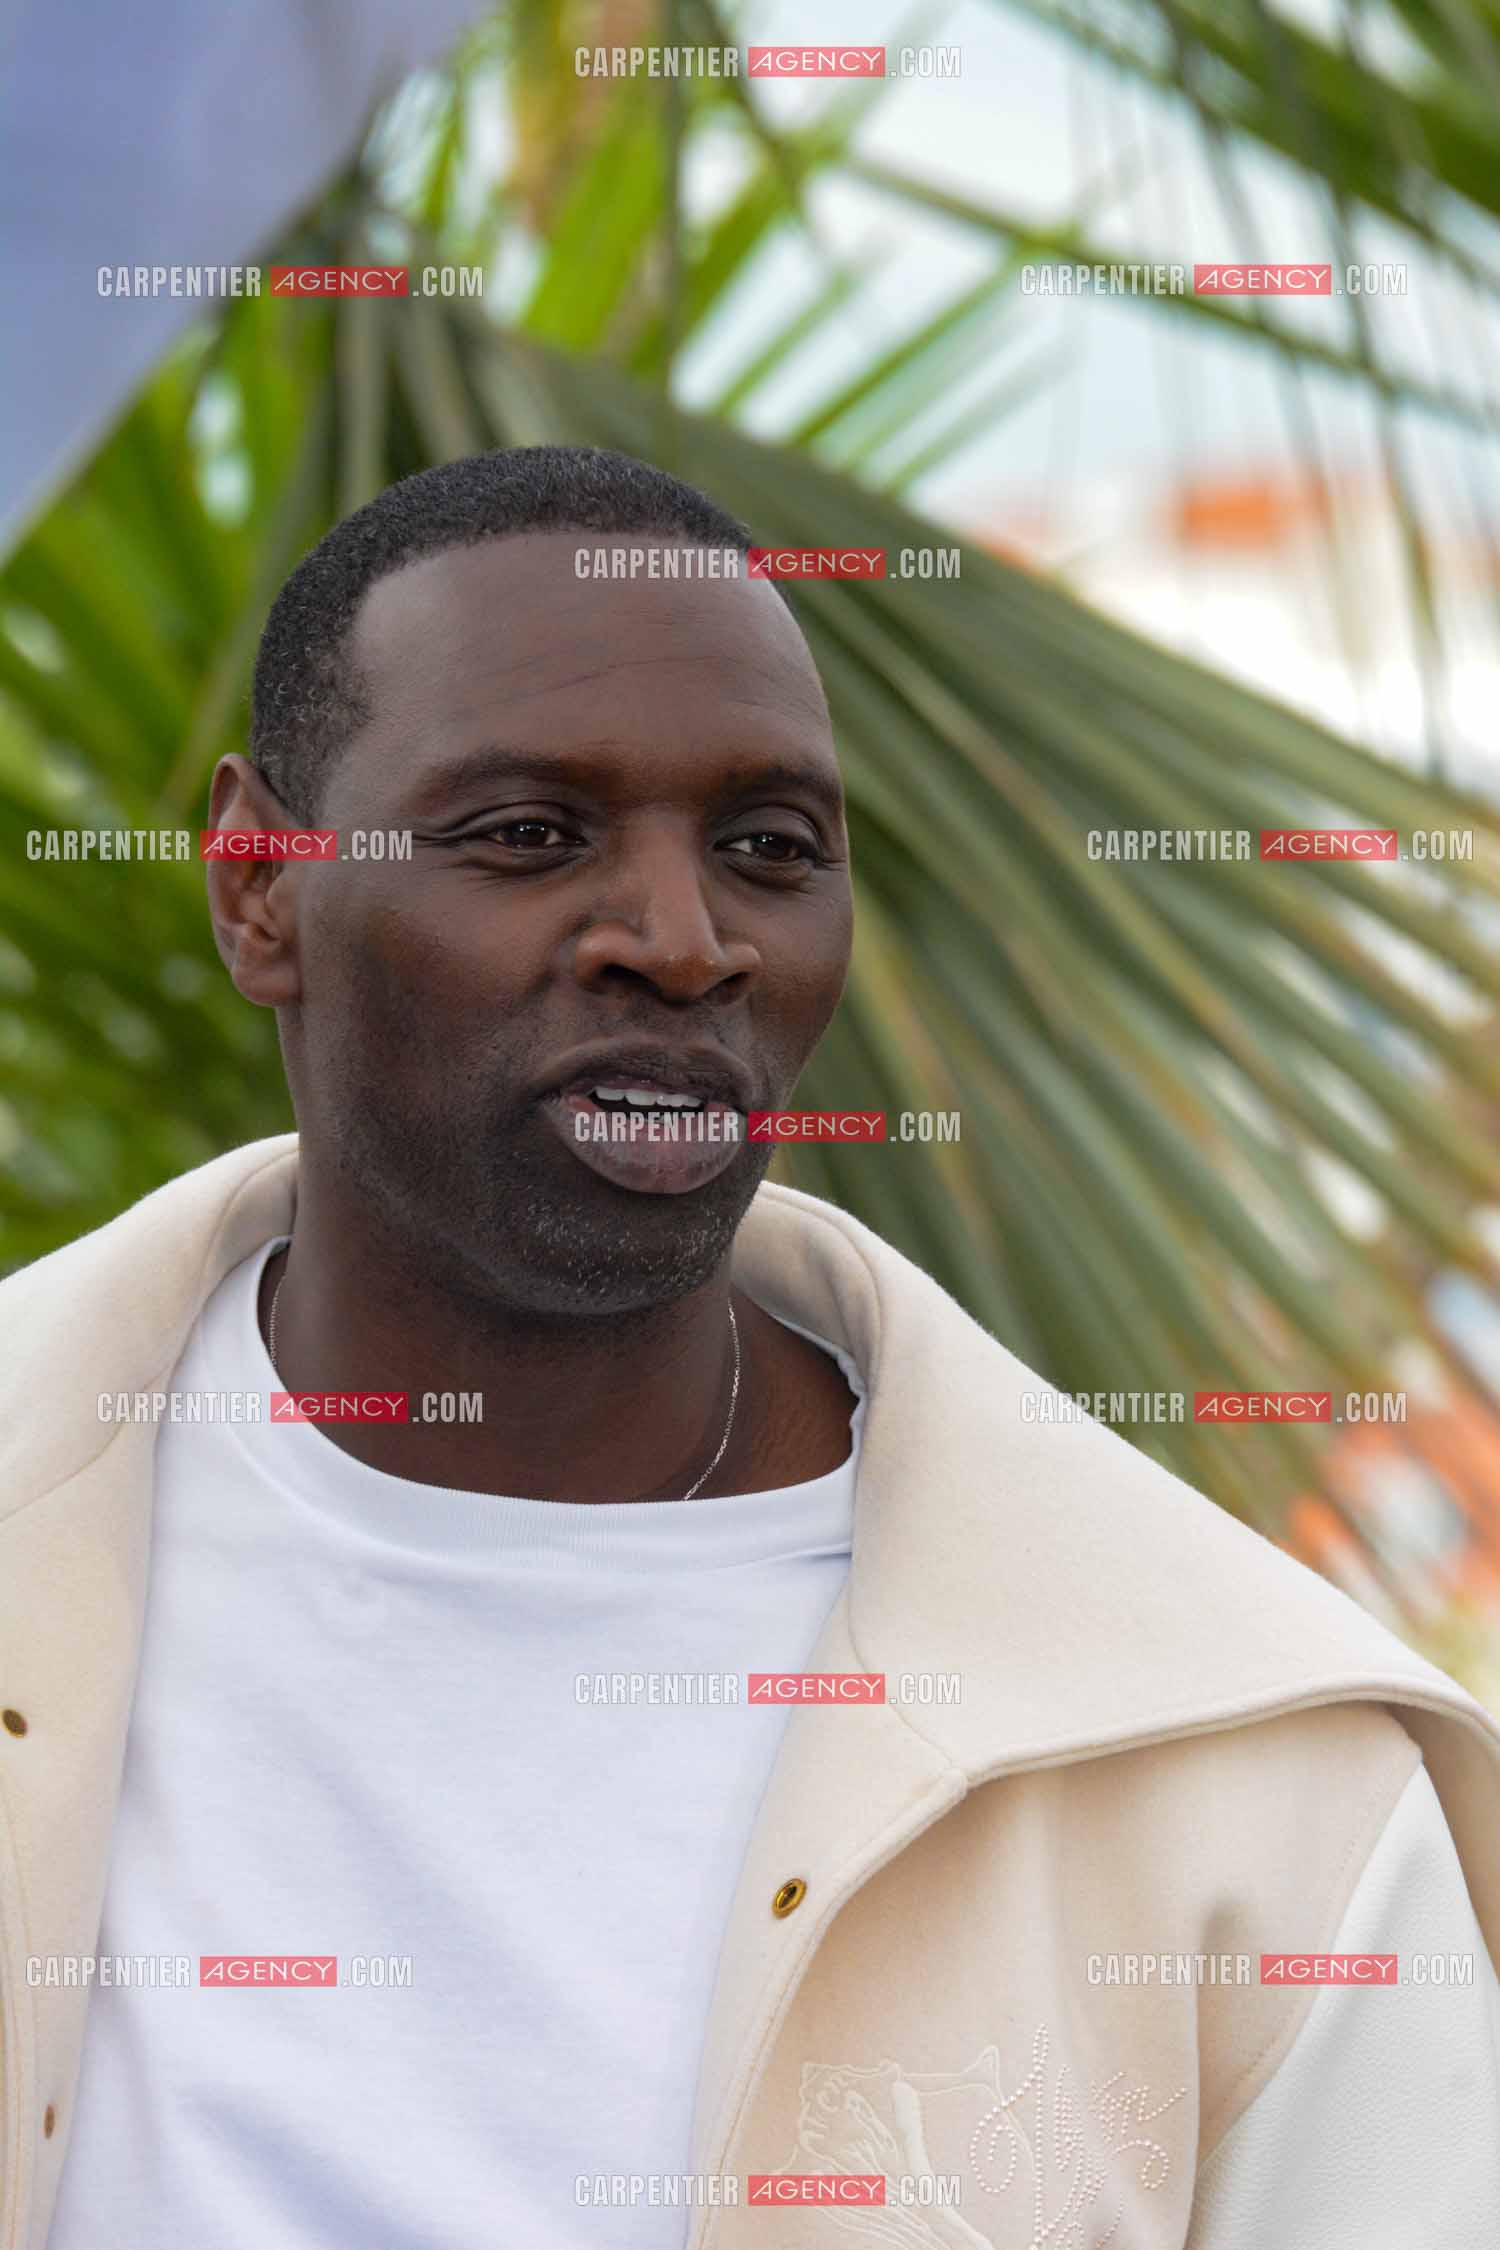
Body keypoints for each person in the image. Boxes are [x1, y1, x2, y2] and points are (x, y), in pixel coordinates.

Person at [3, 444, 1496, 2250]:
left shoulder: (1234, 1760)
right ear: (260, 884)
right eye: (528, 834)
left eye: (768, 849)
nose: (684, 941)